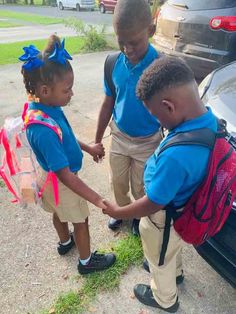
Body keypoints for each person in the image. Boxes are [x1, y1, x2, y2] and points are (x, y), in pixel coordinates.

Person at [102, 57, 218, 312]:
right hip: (181, 212)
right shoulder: (209, 120)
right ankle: (174, 272)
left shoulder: (176, 157)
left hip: (163, 219)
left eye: (155, 115)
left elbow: (153, 202)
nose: (156, 121)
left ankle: (165, 299)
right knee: (168, 250)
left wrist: (118, 211)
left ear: (169, 106)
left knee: (158, 258)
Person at [19, 35, 116, 275]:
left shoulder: (46, 108)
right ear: (45, 90)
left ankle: (65, 243)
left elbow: (67, 137)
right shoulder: (42, 130)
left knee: (57, 213)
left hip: (48, 177)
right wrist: (96, 199)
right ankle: (86, 262)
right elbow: (65, 176)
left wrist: (89, 148)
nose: (71, 94)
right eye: (67, 90)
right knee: (80, 220)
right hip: (62, 182)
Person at [95, 0, 162, 236]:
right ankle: (122, 211)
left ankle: (137, 217)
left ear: (151, 31)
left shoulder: (161, 66)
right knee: (118, 182)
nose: (127, 49)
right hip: (120, 137)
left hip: (148, 142)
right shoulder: (113, 63)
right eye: (121, 41)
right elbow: (108, 102)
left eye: (134, 42)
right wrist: (96, 140)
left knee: (141, 186)